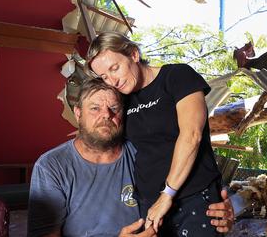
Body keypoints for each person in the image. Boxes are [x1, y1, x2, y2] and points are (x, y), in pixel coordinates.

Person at [27, 79, 233, 237]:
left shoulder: (143, 151)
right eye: (95, 108)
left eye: (114, 108)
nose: (106, 115)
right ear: (78, 113)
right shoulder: (52, 166)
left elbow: (195, 184)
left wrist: (222, 209)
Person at [87, 32, 223, 236]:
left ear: (133, 54)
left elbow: (192, 135)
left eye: (114, 68)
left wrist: (167, 195)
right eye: (104, 76)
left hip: (193, 194)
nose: (112, 80)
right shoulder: (123, 100)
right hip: (149, 203)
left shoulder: (177, 76)